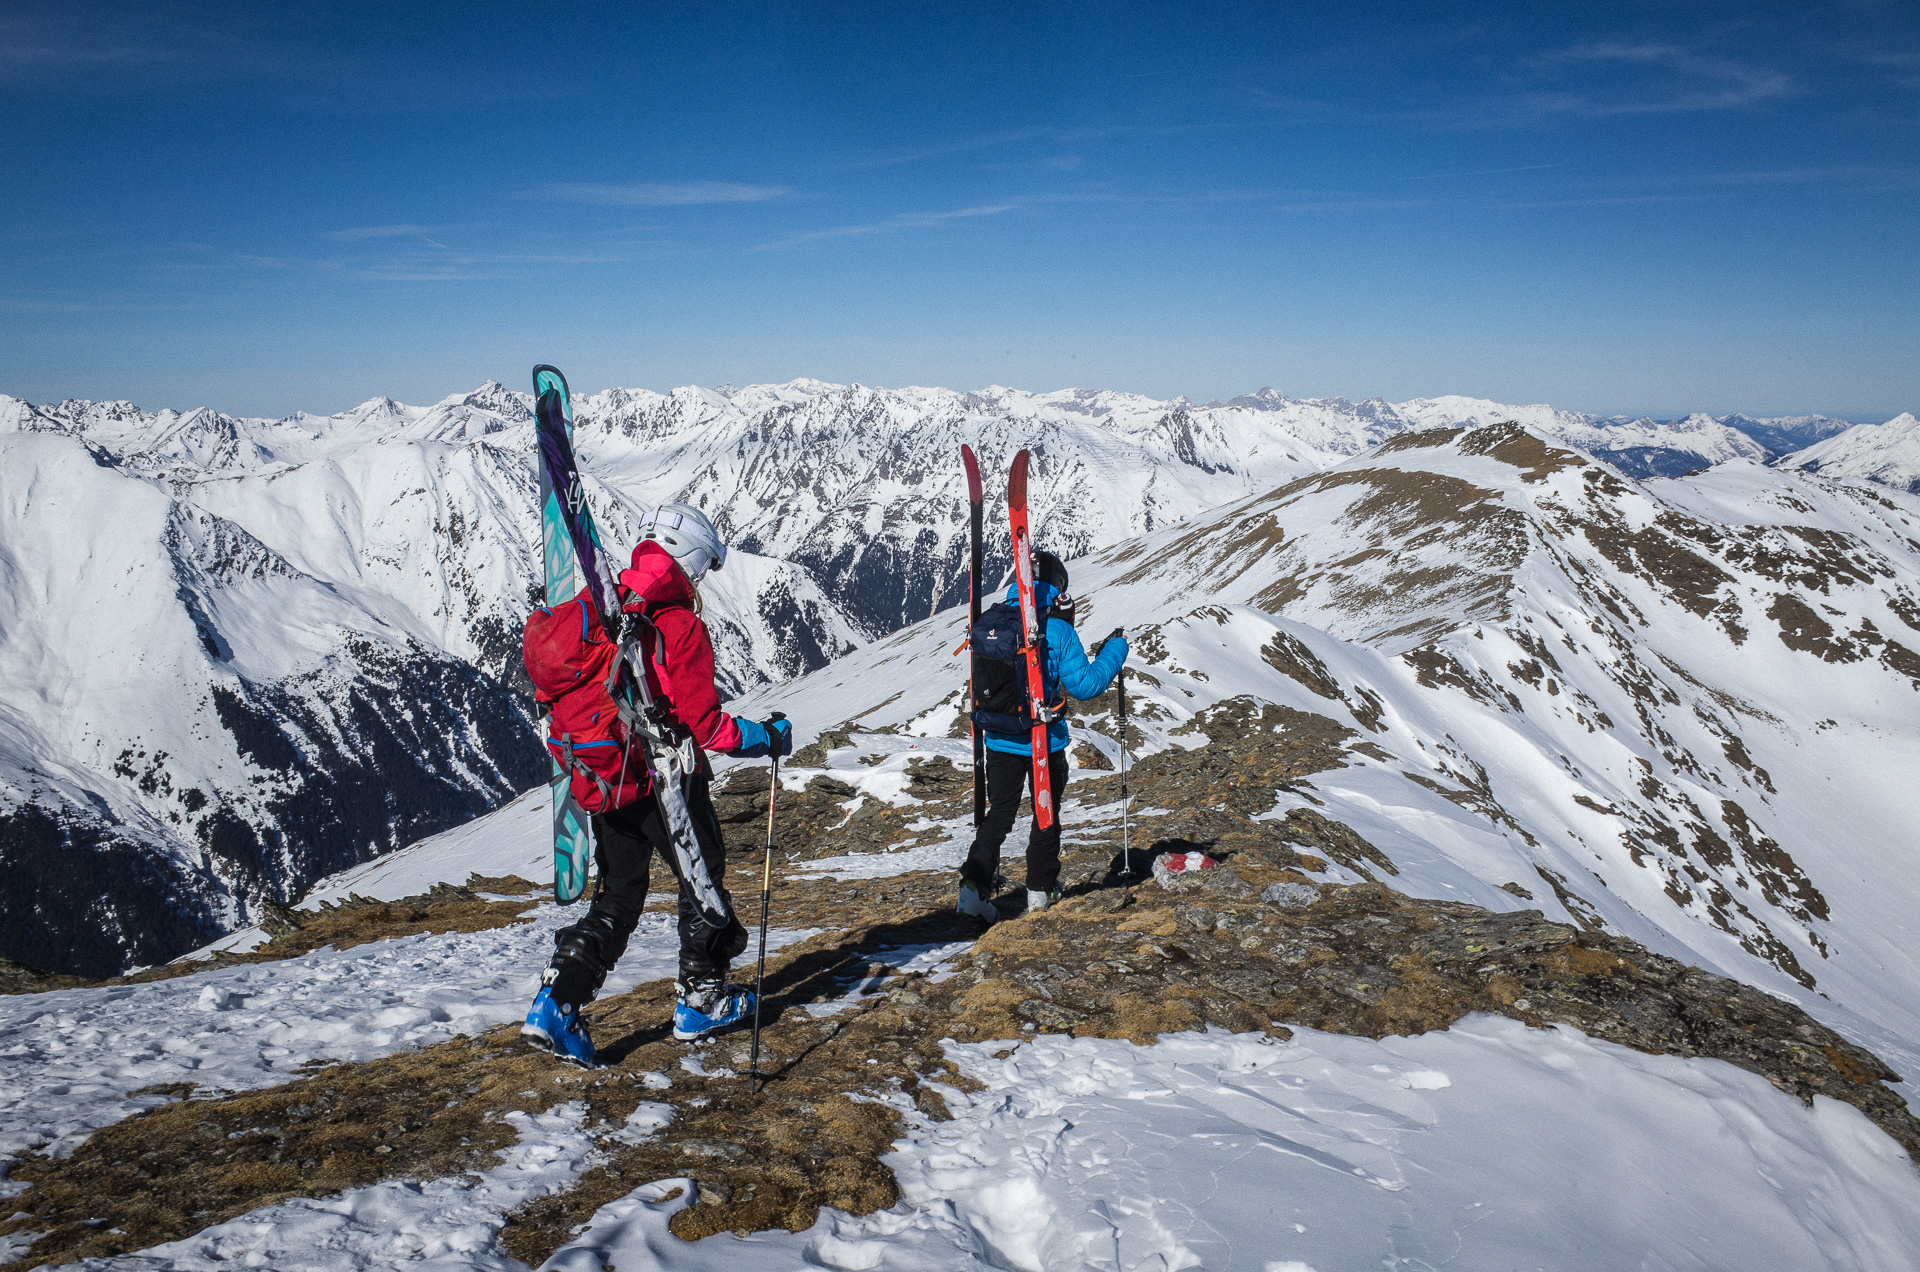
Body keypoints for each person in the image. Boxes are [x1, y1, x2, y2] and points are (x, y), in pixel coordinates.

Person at [522, 503, 791, 1066]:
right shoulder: (677, 624)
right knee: (703, 879)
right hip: (665, 780)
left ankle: (557, 1003)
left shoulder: (605, 609)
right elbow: (707, 727)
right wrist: (765, 736)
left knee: (619, 895)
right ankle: (703, 1000)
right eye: (701, 570)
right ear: (689, 561)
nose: (699, 583)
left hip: (607, 777)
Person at [958, 549, 1127, 921]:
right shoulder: (1056, 629)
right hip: (1042, 741)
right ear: (1057, 587)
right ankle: (1040, 890)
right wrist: (1116, 649)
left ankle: (972, 889)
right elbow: (1085, 685)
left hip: (998, 739)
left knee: (999, 813)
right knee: (1044, 813)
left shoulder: (992, 620)